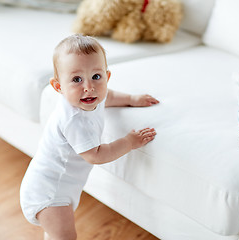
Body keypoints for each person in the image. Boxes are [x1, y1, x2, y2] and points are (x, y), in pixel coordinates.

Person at [20, 34, 159, 240]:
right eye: (76, 79)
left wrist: (131, 99)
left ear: (107, 76)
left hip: (59, 188)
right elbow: (96, 155)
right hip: (48, 193)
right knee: (66, 237)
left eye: (96, 76)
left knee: (55, 235)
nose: (88, 87)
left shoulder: (90, 96)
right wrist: (129, 142)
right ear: (59, 87)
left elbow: (108, 97)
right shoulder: (74, 120)